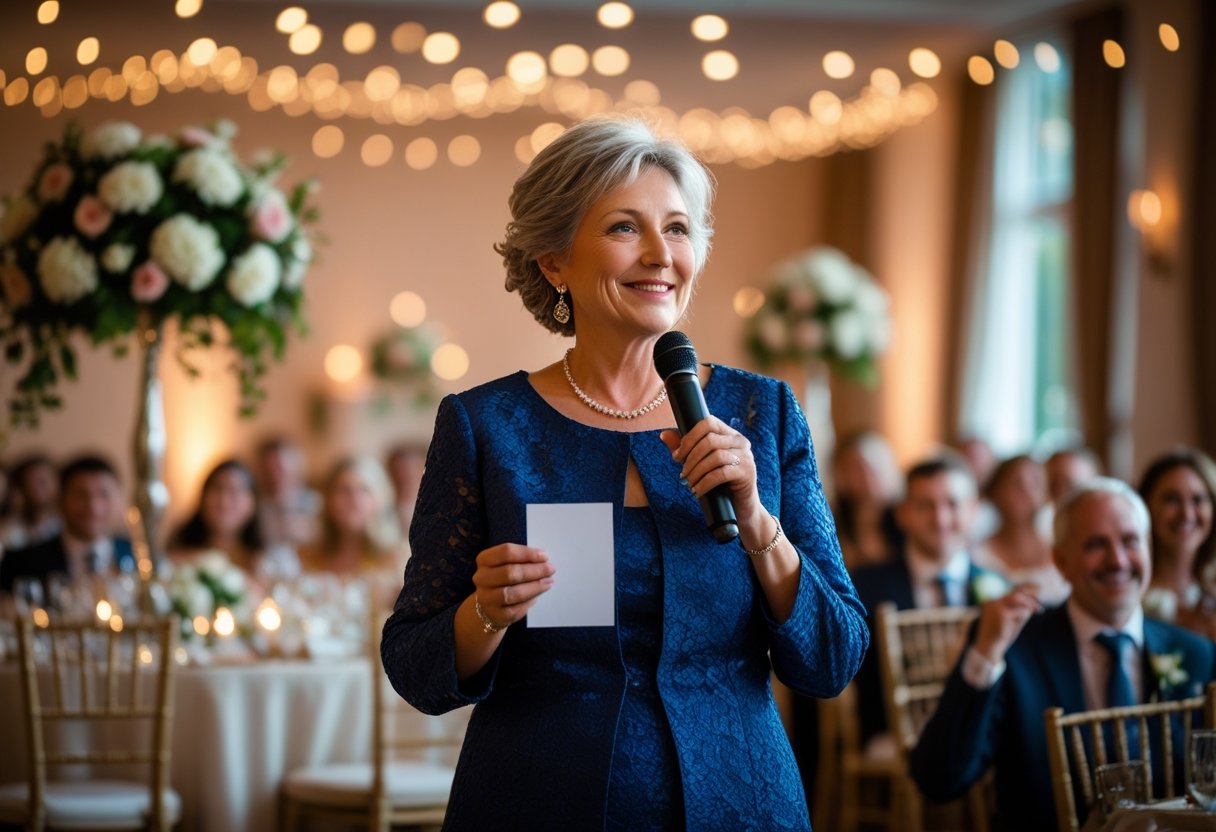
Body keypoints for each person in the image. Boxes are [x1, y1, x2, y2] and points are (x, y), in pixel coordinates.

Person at [380, 116, 867, 831]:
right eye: (623, 229)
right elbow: (416, 669)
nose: (660, 255)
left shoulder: (764, 414)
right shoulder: (485, 426)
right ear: (554, 261)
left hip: (743, 800)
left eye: (677, 228)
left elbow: (833, 658)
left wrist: (762, 528)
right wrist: (484, 611)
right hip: (537, 801)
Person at [909, 478, 1216, 831]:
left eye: (1130, 541)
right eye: (1096, 545)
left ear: (1148, 548)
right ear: (1061, 560)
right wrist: (983, 657)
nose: (1117, 560)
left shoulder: (1196, 654)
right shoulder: (1016, 650)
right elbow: (938, 780)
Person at [850, 455, 997, 753]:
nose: (940, 519)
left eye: (952, 504)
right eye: (925, 506)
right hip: (890, 735)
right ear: (903, 513)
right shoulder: (864, 586)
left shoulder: (998, 590)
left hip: (978, 735)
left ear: (973, 510)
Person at [0, 454, 134, 594]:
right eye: (81, 495)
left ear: (120, 499)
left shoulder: (140, 557)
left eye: (104, 494)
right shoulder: (20, 564)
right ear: (61, 499)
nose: (93, 507)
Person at [301, 456, 405, 605]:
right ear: (328, 499)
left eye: (365, 490)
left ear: (381, 499)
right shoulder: (308, 556)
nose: (354, 500)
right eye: (344, 490)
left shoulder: (399, 558)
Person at [1137, 447, 1216, 636]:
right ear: (1145, 505)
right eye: (1171, 500)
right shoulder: (1129, 592)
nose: (1186, 514)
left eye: (1198, 500)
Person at [972, 454, 1070, 605]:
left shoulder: (1063, 550)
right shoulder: (977, 556)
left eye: (1035, 482)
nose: (1027, 491)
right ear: (995, 492)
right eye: (1017, 484)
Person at [168, 459, 264, 573]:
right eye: (218, 489)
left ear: (252, 502)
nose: (224, 501)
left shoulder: (262, 563)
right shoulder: (177, 555)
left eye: (234, 492)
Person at [830, 429, 903, 570]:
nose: (867, 476)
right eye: (856, 468)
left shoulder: (906, 522)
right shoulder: (830, 524)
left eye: (875, 467)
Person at [253, 435, 320, 548]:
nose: (275, 475)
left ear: (297, 467)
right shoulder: (258, 507)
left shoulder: (317, 504)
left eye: (280, 467)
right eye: (269, 469)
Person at [0, 453, 61, 550]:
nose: (38, 489)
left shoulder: (68, 526)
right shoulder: (8, 531)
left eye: (43, 481)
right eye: (31, 482)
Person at [384, 441, 428, 537]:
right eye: (401, 470)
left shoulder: (437, 511)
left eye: (414, 468)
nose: (408, 476)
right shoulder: (380, 510)